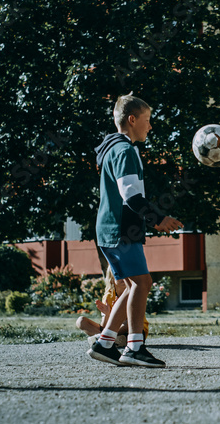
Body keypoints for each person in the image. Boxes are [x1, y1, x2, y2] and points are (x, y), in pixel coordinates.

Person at [87, 94, 182, 368]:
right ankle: (134, 348)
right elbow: (130, 195)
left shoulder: (111, 149)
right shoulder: (125, 150)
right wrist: (158, 219)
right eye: (147, 120)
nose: (150, 127)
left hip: (108, 230)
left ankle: (105, 344)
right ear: (132, 120)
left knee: (131, 286)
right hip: (121, 229)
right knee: (142, 283)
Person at [75, 267, 150, 347]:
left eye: (126, 274)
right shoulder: (108, 296)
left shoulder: (133, 293)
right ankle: (111, 340)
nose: (123, 278)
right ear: (111, 279)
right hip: (113, 330)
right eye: (118, 275)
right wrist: (107, 314)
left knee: (128, 322)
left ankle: (104, 339)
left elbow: (135, 319)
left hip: (133, 330)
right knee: (80, 321)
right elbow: (104, 326)